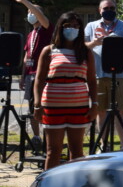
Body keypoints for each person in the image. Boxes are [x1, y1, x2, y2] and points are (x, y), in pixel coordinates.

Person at [33, 12, 99, 170]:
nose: (72, 29)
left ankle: (74, 185)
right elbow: (39, 79)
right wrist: (37, 104)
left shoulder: (85, 51)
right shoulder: (49, 50)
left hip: (79, 107)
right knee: (53, 151)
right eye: (68, 26)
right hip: (52, 107)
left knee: (76, 150)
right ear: (60, 28)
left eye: (76, 26)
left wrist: (95, 103)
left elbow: (91, 80)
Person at [84, 0, 123, 141]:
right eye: (106, 8)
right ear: (100, 11)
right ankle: (103, 144)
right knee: (101, 111)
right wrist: (95, 42)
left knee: (120, 111)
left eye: (112, 8)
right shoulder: (91, 26)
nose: (109, 11)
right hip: (98, 74)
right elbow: (82, 45)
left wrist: (112, 38)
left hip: (119, 74)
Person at [16, 0, 51, 153]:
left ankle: (48, 138)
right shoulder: (30, 34)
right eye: (28, 12)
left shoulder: (45, 29)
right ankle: (36, 138)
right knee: (32, 108)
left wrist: (25, 2)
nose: (30, 14)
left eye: (32, 12)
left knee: (44, 106)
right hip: (30, 74)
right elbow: (26, 56)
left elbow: (43, 19)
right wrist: (22, 76)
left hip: (42, 74)